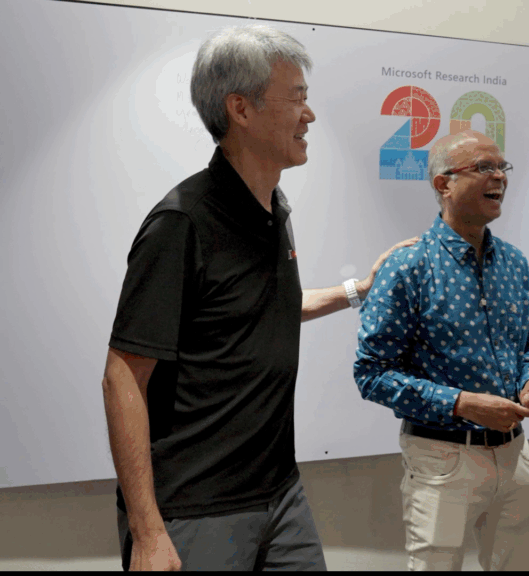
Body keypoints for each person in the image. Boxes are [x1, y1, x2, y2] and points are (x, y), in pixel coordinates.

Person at [102, 25, 413, 571]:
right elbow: (122, 374)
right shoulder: (181, 223)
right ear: (240, 109)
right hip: (196, 508)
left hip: (281, 493)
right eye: (296, 99)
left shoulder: (275, 209)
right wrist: (149, 532)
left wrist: (358, 291)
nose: (309, 115)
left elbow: (264, 310)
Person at [353, 130, 529, 571]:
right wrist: (462, 404)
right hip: (442, 461)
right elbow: (371, 374)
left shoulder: (514, 263)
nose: (499, 177)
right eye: (484, 167)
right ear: (442, 184)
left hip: (516, 454)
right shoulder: (408, 266)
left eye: (502, 167)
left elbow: (528, 347)